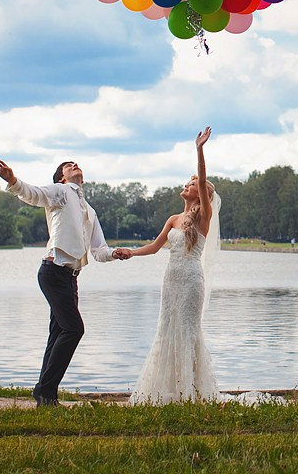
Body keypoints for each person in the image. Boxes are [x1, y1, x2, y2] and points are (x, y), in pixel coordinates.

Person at [0, 157, 130, 407]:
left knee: (58, 332)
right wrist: (13, 181)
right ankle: (45, 390)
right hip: (53, 271)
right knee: (73, 329)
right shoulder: (61, 192)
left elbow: (99, 250)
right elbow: (33, 194)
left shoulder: (89, 210)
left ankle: (46, 394)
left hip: (71, 277)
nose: (75, 165)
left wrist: (114, 254)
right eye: (69, 165)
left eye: (77, 164)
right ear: (61, 177)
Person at [127, 127, 221, 404]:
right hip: (171, 280)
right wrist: (129, 253)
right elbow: (155, 247)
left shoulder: (204, 215)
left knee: (188, 330)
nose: (187, 186)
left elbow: (203, 179)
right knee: (167, 328)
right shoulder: (172, 218)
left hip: (192, 280)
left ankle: (191, 391)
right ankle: (168, 390)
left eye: (191, 184)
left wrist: (199, 149)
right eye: (188, 183)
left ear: (200, 192)